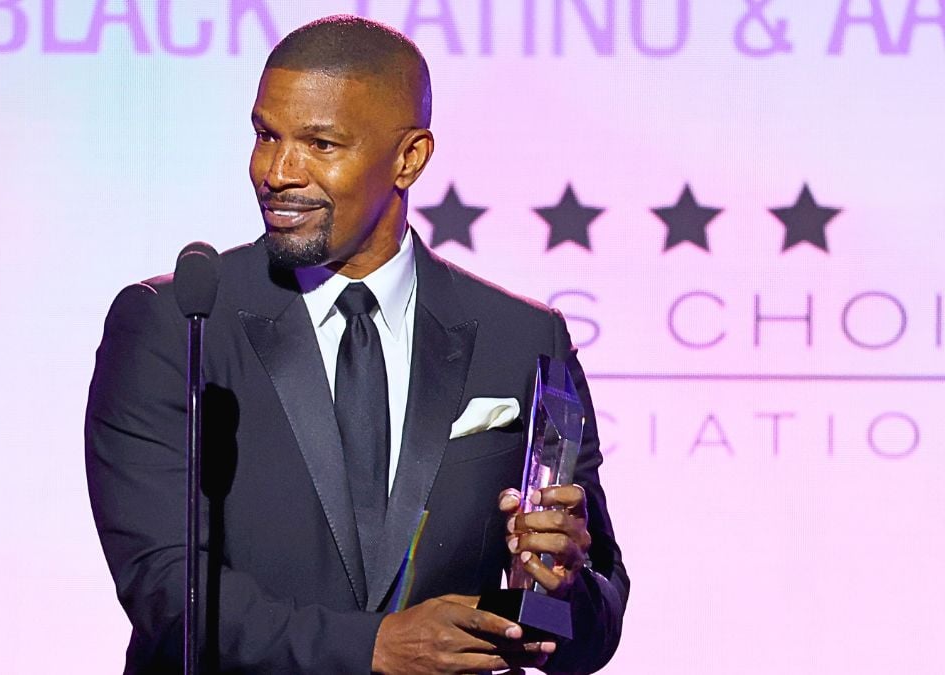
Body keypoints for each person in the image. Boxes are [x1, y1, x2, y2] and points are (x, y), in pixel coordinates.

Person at [85, 15, 628, 674]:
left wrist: (553, 586)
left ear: (410, 158)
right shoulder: (178, 324)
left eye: (321, 143)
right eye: (265, 135)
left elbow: (591, 630)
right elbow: (168, 591)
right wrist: (373, 647)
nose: (278, 171)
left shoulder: (521, 338)